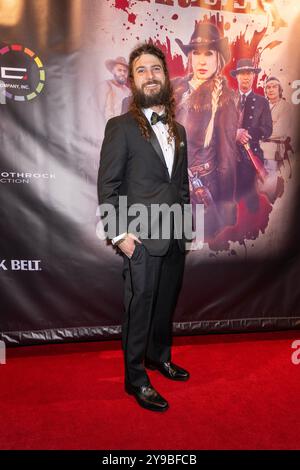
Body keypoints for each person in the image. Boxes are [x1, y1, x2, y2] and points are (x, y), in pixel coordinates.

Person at [98, 43, 190, 412]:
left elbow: (180, 186)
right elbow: (108, 186)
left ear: (166, 77)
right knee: (140, 307)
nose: (150, 75)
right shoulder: (120, 127)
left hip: (174, 235)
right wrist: (120, 235)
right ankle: (135, 376)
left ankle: (158, 357)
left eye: (156, 69)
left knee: (165, 303)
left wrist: (184, 231)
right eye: (141, 70)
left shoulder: (179, 129)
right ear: (132, 81)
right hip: (140, 237)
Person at [173, 22, 238, 240]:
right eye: (196, 53)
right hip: (167, 185)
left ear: (218, 58)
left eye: (208, 54)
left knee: (194, 256)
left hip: (200, 190)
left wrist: (226, 206)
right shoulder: (174, 87)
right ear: (189, 57)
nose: (202, 61)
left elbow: (227, 157)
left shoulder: (225, 100)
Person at [231, 58, 273, 212]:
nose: (246, 77)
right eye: (242, 73)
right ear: (236, 76)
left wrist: (248, 134)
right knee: (230, 198)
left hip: (250, 156)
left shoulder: (262, 102)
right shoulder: (227, 100)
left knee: (249, 199)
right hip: (228, 157)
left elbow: (267, 129)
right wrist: (234, 134)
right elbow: (217, 129)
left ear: (254, 76)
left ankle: (253, 229)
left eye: (249, 73)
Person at [259, 76, 294, 202]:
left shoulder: (285, 107)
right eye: (268, 87)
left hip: (273, 151)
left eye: (274, 86)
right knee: (256, 183)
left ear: (280, 89)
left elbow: (280, 131)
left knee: (269, 183)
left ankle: (269, 205)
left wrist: (259, 132)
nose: (271, 89)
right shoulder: (262, 106)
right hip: (257, 150)